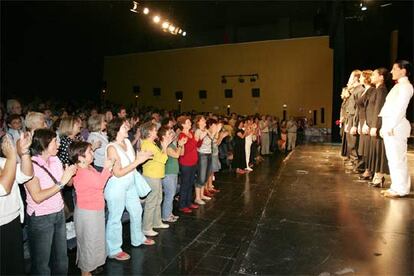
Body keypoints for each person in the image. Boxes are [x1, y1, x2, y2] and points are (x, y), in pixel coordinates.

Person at [25, 129, 77, 275]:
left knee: (61, 258)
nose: (59, 145)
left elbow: (69, 184)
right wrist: (62, 182)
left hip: (58, 213)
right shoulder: (30, 166)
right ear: (44, 143)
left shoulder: (56, 160)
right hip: (41, 217)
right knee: (42, 263)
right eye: (55, 141)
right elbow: (37, 196)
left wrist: (70, 172)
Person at [104, 118, 154, 261]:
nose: (128, 128)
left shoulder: (126, 142)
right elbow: (117, 172)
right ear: (116, 129)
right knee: (115, 217)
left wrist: (140, 158)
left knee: (137, 210)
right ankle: (114, 249)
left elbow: (132, 163)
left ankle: (138, 238)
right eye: (125, 126)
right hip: (117, 186)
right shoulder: (112, 148)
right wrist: (138, 162)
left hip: (129, 183)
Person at [69, 141, 114, 276]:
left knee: (94, 241)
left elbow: (99, 180)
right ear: (81, 157)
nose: (93, 153)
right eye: (90, 152)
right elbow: (100, 183)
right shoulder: (81, 172)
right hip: (88, 213)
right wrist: (107, 168)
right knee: (88, 242)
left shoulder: (88, 167)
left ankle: (90, 268)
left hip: (94, 210)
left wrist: (109, 170)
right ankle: (85, 271)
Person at [379, 60, 413, 198]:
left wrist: (391, 125)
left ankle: (401, 189)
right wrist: (385, 126)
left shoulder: (406, 87)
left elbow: (400, 108)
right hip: (391, 125)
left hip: (397, 126)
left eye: (394, 69)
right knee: (393, 159)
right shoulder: (398, 86)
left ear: (403, 71)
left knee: (398, 159)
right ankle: (396, 187)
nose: (391, 72)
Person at [0, 134, 33, 275]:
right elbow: (3, 187)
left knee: (15, 267)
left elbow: (26, 175)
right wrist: (13, 156)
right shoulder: (8, 160)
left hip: (12, 220)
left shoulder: (3, 161)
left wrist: (24, 152)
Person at [140, 122, 172, 236]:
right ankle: (146, 227)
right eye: (154, 130)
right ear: (149, 132)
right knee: (151, 202)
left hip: (156, 175)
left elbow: (161, 158)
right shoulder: (147, 145)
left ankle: (156, 222)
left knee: (158, 199)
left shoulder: (151, 144)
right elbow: (163, 159)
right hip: (151, 176)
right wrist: (164, 147)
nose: (156, 132)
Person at [366, 68, 390, 187]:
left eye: (374, 74)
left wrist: (375, 126)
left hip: (377, 126)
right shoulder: (376, 89)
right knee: (375, 152)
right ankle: (376, 175)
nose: (372, 76)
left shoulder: (381, 90)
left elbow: (378, 109)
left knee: (379, 151)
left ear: (381, 77)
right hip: (372, 124)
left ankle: (379, 176)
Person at [160, 127, 187, 222]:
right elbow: (176, 155)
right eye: (170, 134)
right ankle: (165, 216)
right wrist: (179, 145)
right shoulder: (166, 146)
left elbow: (182, 153)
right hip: (168, 173)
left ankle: (169, 213)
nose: (172, 135)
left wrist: (182, 144)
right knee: (169, 195)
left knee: (171, 194)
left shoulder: (171, 145)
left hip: (173, 172)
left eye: (172, 134)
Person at [177, 115, 202, 213]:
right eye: (188, 122)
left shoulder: (191, 133)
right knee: (185, 184)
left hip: (193, 162)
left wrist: (200, 139)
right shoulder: (182, 135)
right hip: (186, 163)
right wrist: (195, 140)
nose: (190, 123)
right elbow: (186, 150)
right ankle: (182, 205)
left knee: (191, 183)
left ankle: (188, 202)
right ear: (183, 125)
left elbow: (197, 145)